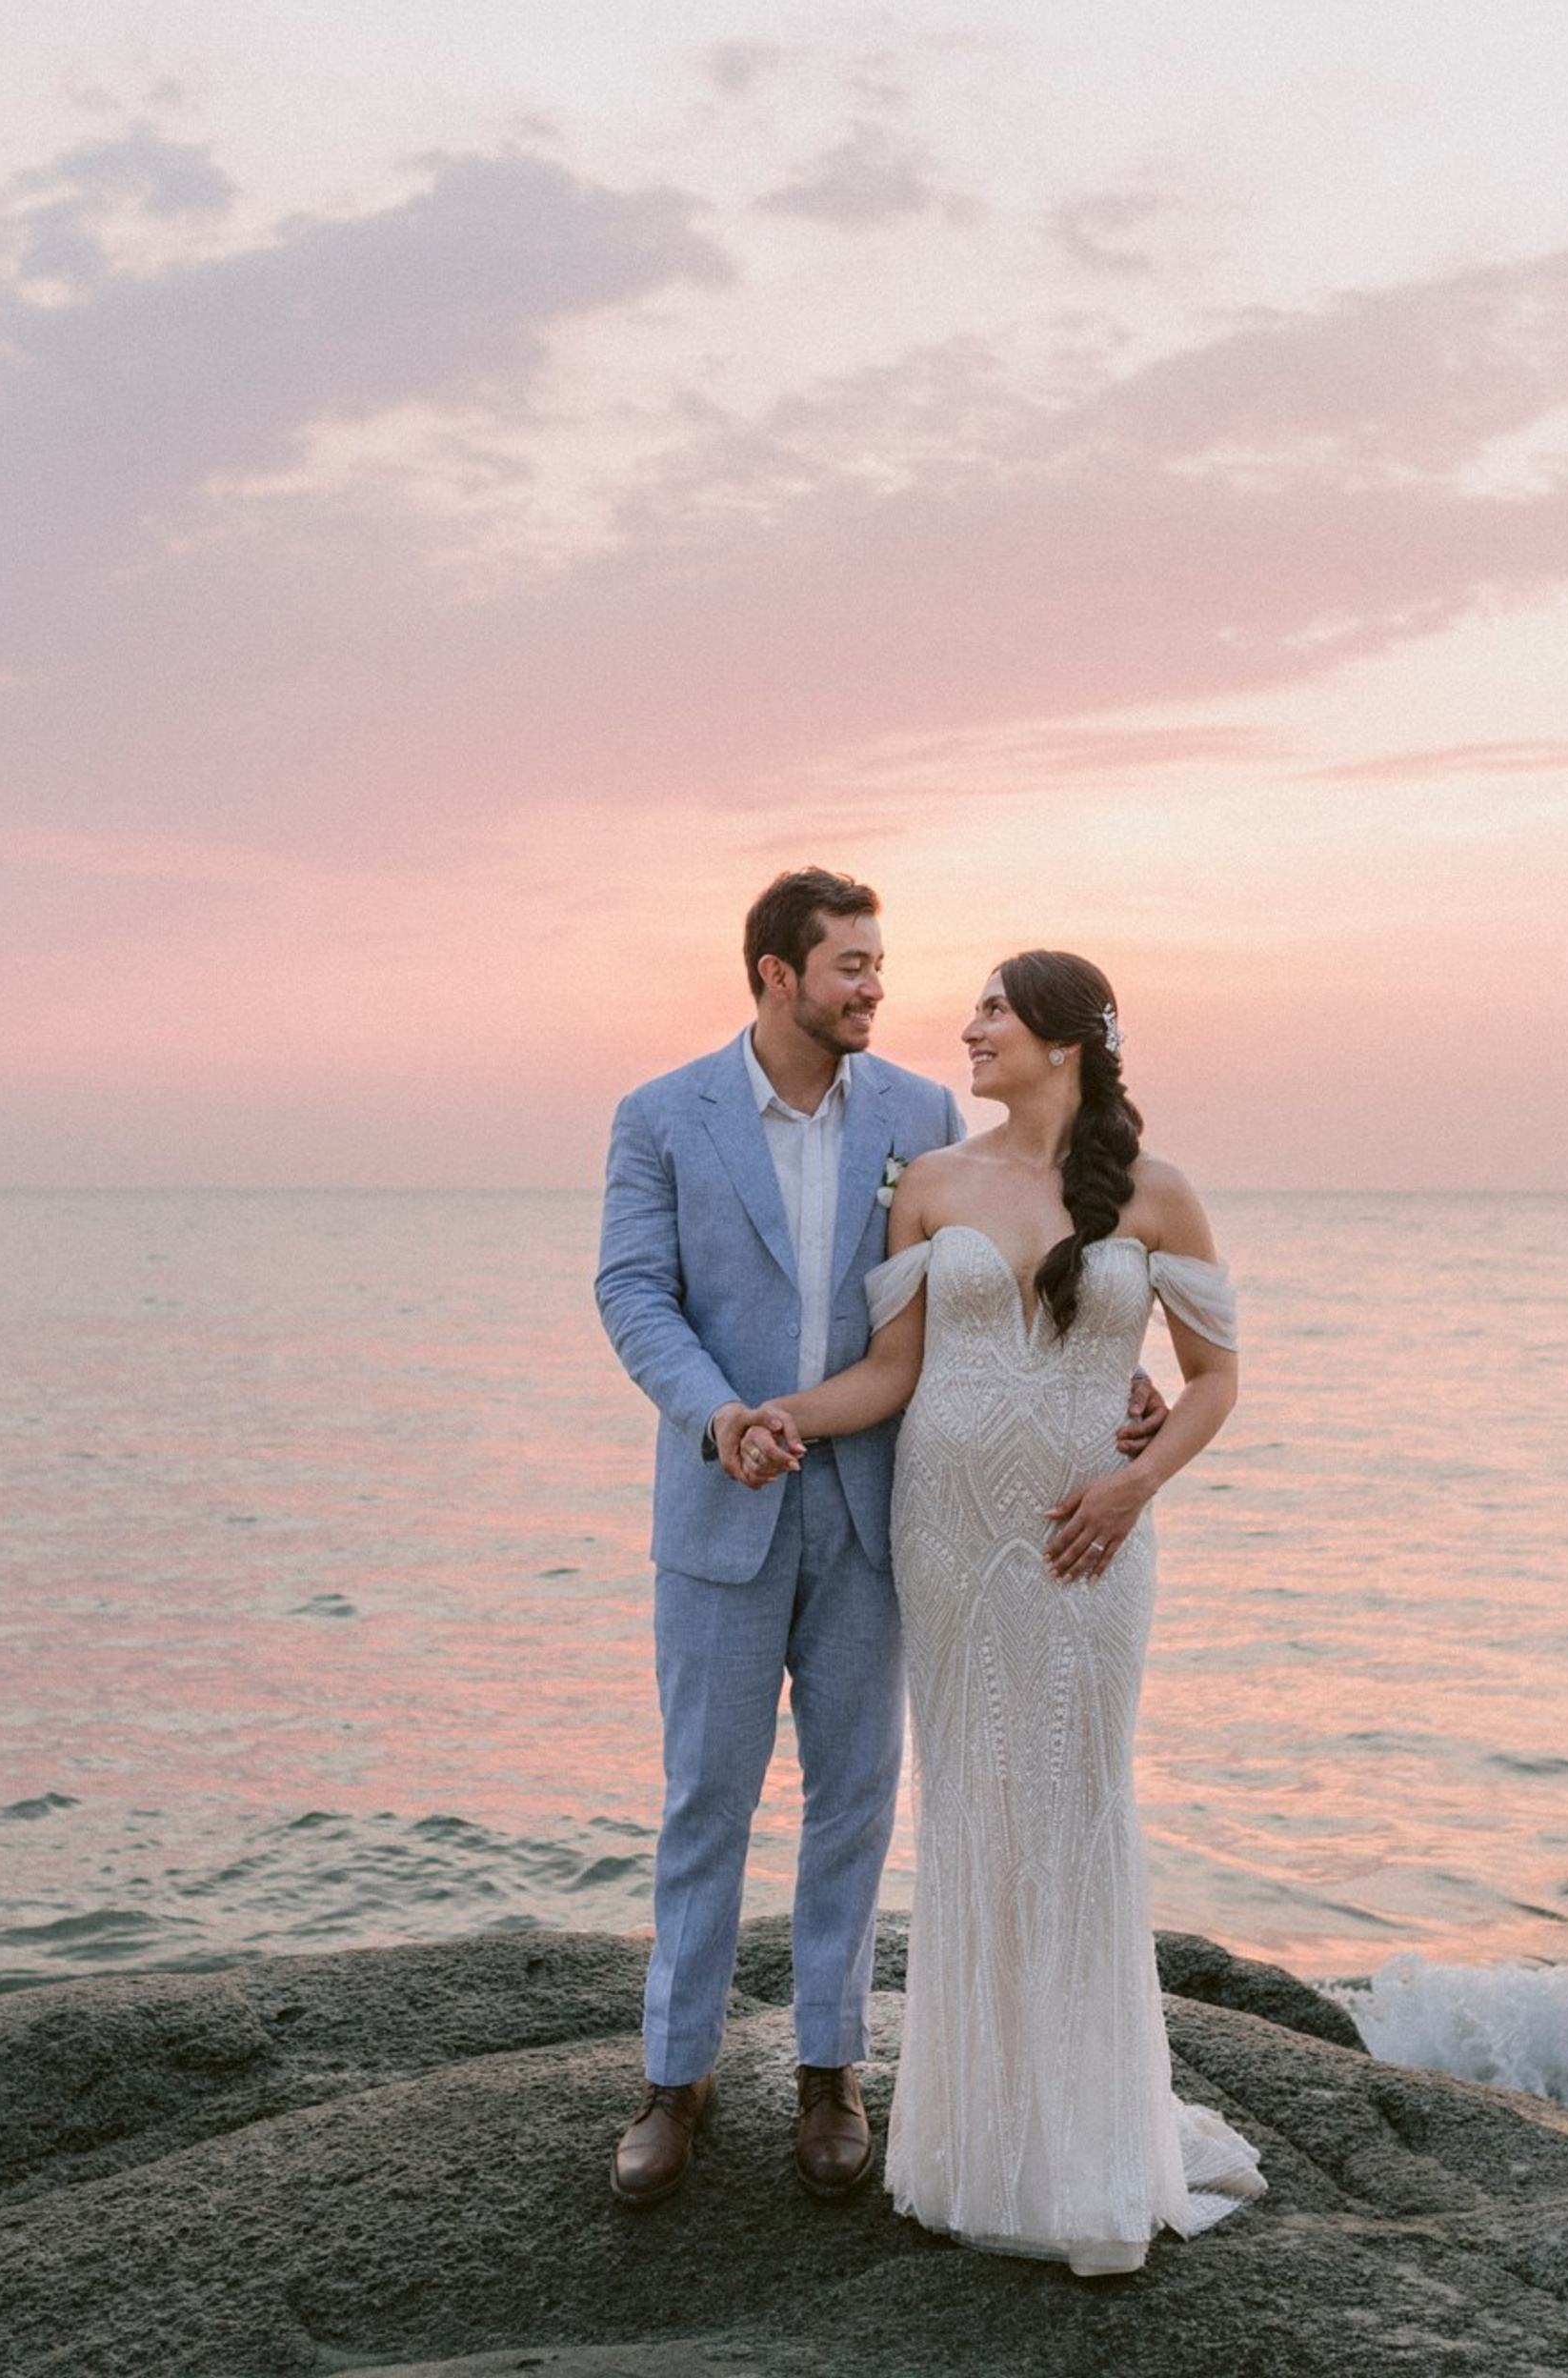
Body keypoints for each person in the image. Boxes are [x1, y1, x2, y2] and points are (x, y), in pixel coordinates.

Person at [593, 876, 1165, 2209]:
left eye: (879, 965)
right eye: (850, 967)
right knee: (706, 1799)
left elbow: (1016, 1255)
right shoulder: (660, 1117)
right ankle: (673, 2081)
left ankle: (830, 2072)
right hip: (719, 1506)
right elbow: (632, 1289)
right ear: (773, 976)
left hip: (878, 1513)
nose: (875, 989)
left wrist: (1110, 1374)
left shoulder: (918, 1116)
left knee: (853, 1797)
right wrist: (714, 1414)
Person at [736, 950, 1265, 2275]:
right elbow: (890, 1372)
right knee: (971, 1810)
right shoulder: (933, 1185)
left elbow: (1213, 1380)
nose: (967, 1031)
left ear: (1064, 1039)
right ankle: (977, 2143)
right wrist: (779, 1416)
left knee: (1076, 1809)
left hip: (1092, 1546)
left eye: (992, 1013)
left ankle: (1086, 2147)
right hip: (953, 1541)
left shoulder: (1157, 1191)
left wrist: (1135, 1485)